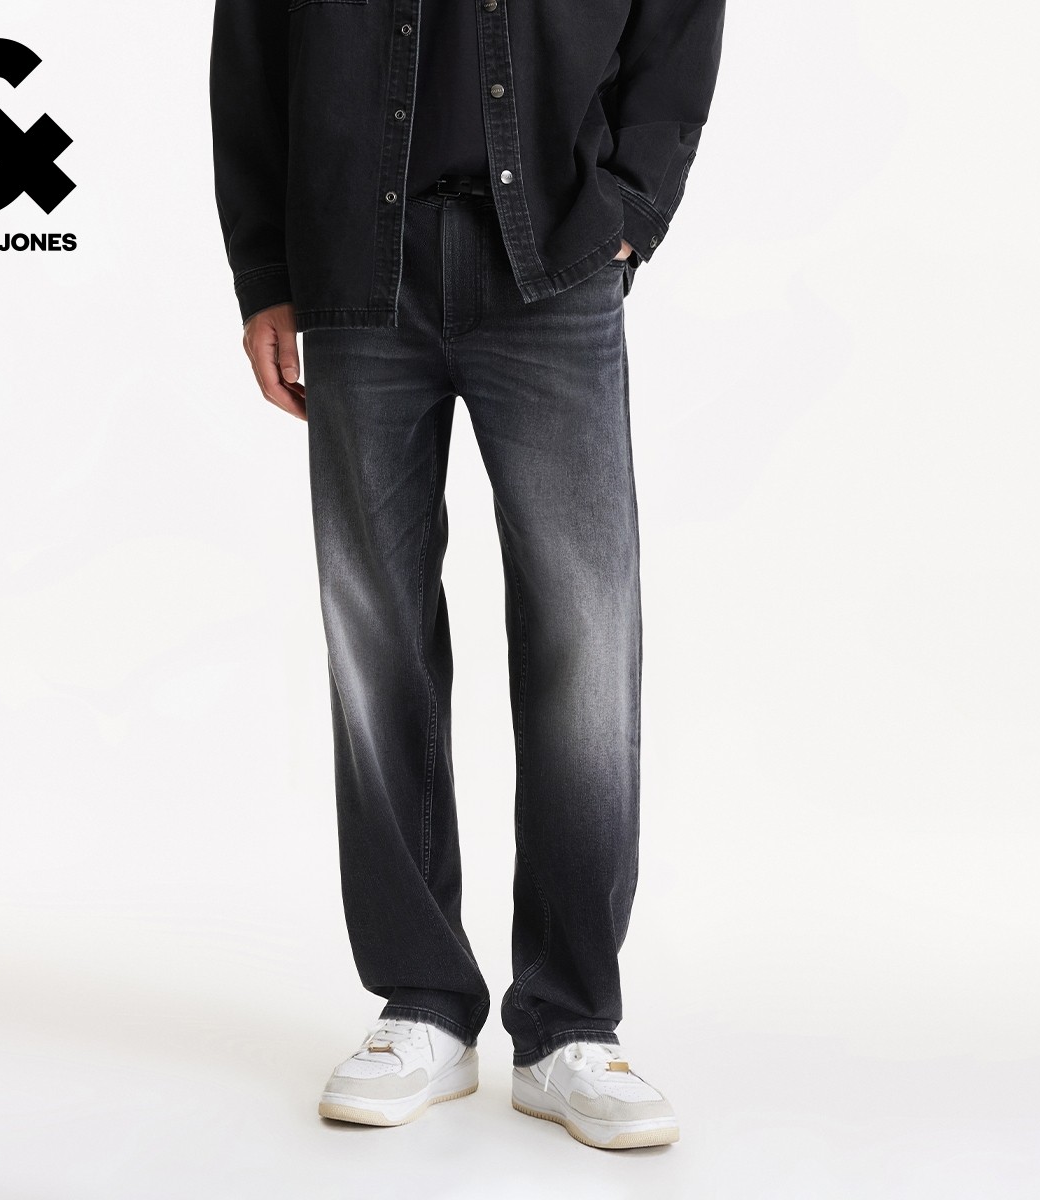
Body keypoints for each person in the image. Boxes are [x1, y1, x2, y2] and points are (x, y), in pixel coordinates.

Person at [210, 0, 725, 1150]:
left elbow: (678, 23)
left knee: (584, 639)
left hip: (554, 263)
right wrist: (264, 271)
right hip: (357, 268)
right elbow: (250, 47)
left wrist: (631, 208)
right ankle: (424, 1006)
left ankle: (570, 1026)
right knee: (377, 640)